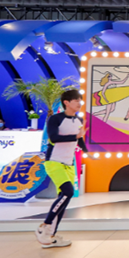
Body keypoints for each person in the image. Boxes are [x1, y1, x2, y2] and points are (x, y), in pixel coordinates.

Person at [34, 90, 87, 248]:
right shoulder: (55, 119)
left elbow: (79, 140)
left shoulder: (79, 120)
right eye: (76, 100)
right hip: (54, 162)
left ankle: (50, 236)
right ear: (66, 103)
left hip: (69, 164)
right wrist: (75, 137)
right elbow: (54, 138)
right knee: (67, 192)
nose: (79, 103)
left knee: (64, 199)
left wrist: (88, 152)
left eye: (80, 101)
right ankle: (44, 226)